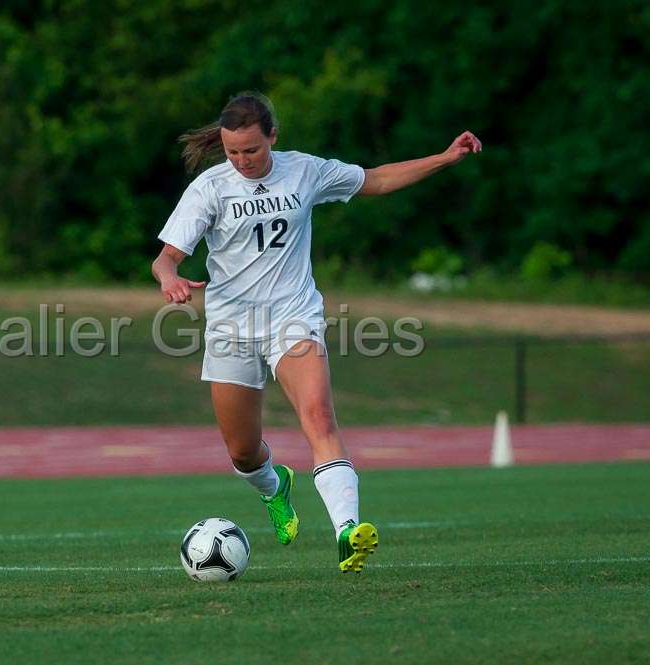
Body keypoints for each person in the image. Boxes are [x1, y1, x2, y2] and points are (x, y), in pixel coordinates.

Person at [152, 92, 481, 573]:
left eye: (252, 150)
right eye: (232, 152)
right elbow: (165, 256)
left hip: (293, 315)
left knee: (319, 417)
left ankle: (348, 531)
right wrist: (169, 278)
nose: (242, 161)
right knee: (243, 451)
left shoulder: (305, 171)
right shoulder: (210, 188)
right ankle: (274, 485)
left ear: (273, 137)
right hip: (231, 327)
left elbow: (378, 179)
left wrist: (446, 157)